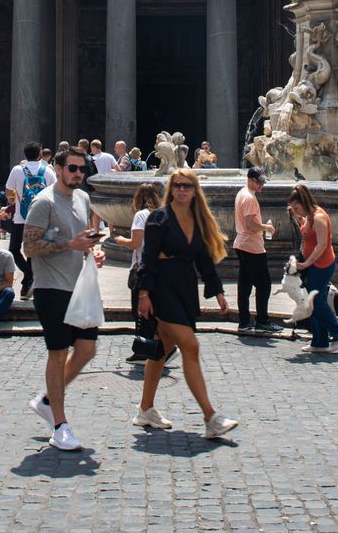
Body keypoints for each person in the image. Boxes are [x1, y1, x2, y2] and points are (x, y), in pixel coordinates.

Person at [133, 168, 238, 438]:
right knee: (190, 345)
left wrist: (218, 291)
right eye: (177, 185)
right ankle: (210, 417)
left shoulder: (197, 219)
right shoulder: (159, 218)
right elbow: (148, 258)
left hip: (185, 287)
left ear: (194, 190)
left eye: (187, 186)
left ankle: (145, 410)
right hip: (161, 287)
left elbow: (203, 259)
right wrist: (144, 294)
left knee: (162, 349)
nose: (181, 189)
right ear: (171, 188)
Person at [23, 144, 105, 452]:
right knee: (57, 353)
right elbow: (28, 248)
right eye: (72, 168)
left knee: (86, 350)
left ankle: (47, 399)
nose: (78, 174)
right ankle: (59, 425)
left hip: (78, 285)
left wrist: (92, 250)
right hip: (50, 287)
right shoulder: (43, 202)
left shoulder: (83, 198)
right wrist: (69, 245)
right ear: (57, 169)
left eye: (81, 169)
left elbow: (81, 239)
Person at [288, 184, 338, 353]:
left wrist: (307, 263)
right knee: (314, 301)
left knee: (314, 302)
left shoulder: (319, 217)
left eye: (296, 207)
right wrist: (295, 217)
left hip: (321, 266)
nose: (295, 210)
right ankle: (319, 341)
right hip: (314, 265)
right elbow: (307, 234)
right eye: (293, 208)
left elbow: (322, 245)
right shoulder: (308, 216)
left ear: (304, 202)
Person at [116, 181, 162, 362]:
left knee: (141, 311)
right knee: (154, 311)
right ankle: (159, 347)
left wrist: (120, 240)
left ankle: (144, 350)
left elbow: (136, 243)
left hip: (141, 267)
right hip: (159, 268)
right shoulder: (161, 213)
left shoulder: (141, 216)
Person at [4, 141, 54, 298]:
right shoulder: (48, 170)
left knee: (14, 250)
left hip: (20, 217)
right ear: (40, 153)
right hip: (40, 218)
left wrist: (14, 200)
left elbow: (8, 192)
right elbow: (55, 193)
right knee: (33, 251)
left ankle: (27, 279)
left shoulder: (17, 170)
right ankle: (30, 279)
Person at [232, 167, 277, 337]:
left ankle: (244, 322)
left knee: (244, 285)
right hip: (252, 246)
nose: (261, 185)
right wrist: (266, 227)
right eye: (259, 182)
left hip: (241, 244)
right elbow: (250, 224)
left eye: (263, 182)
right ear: (250, 179)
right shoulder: (250, 198)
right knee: (264, 285)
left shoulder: (241, 194)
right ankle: (262, 322)